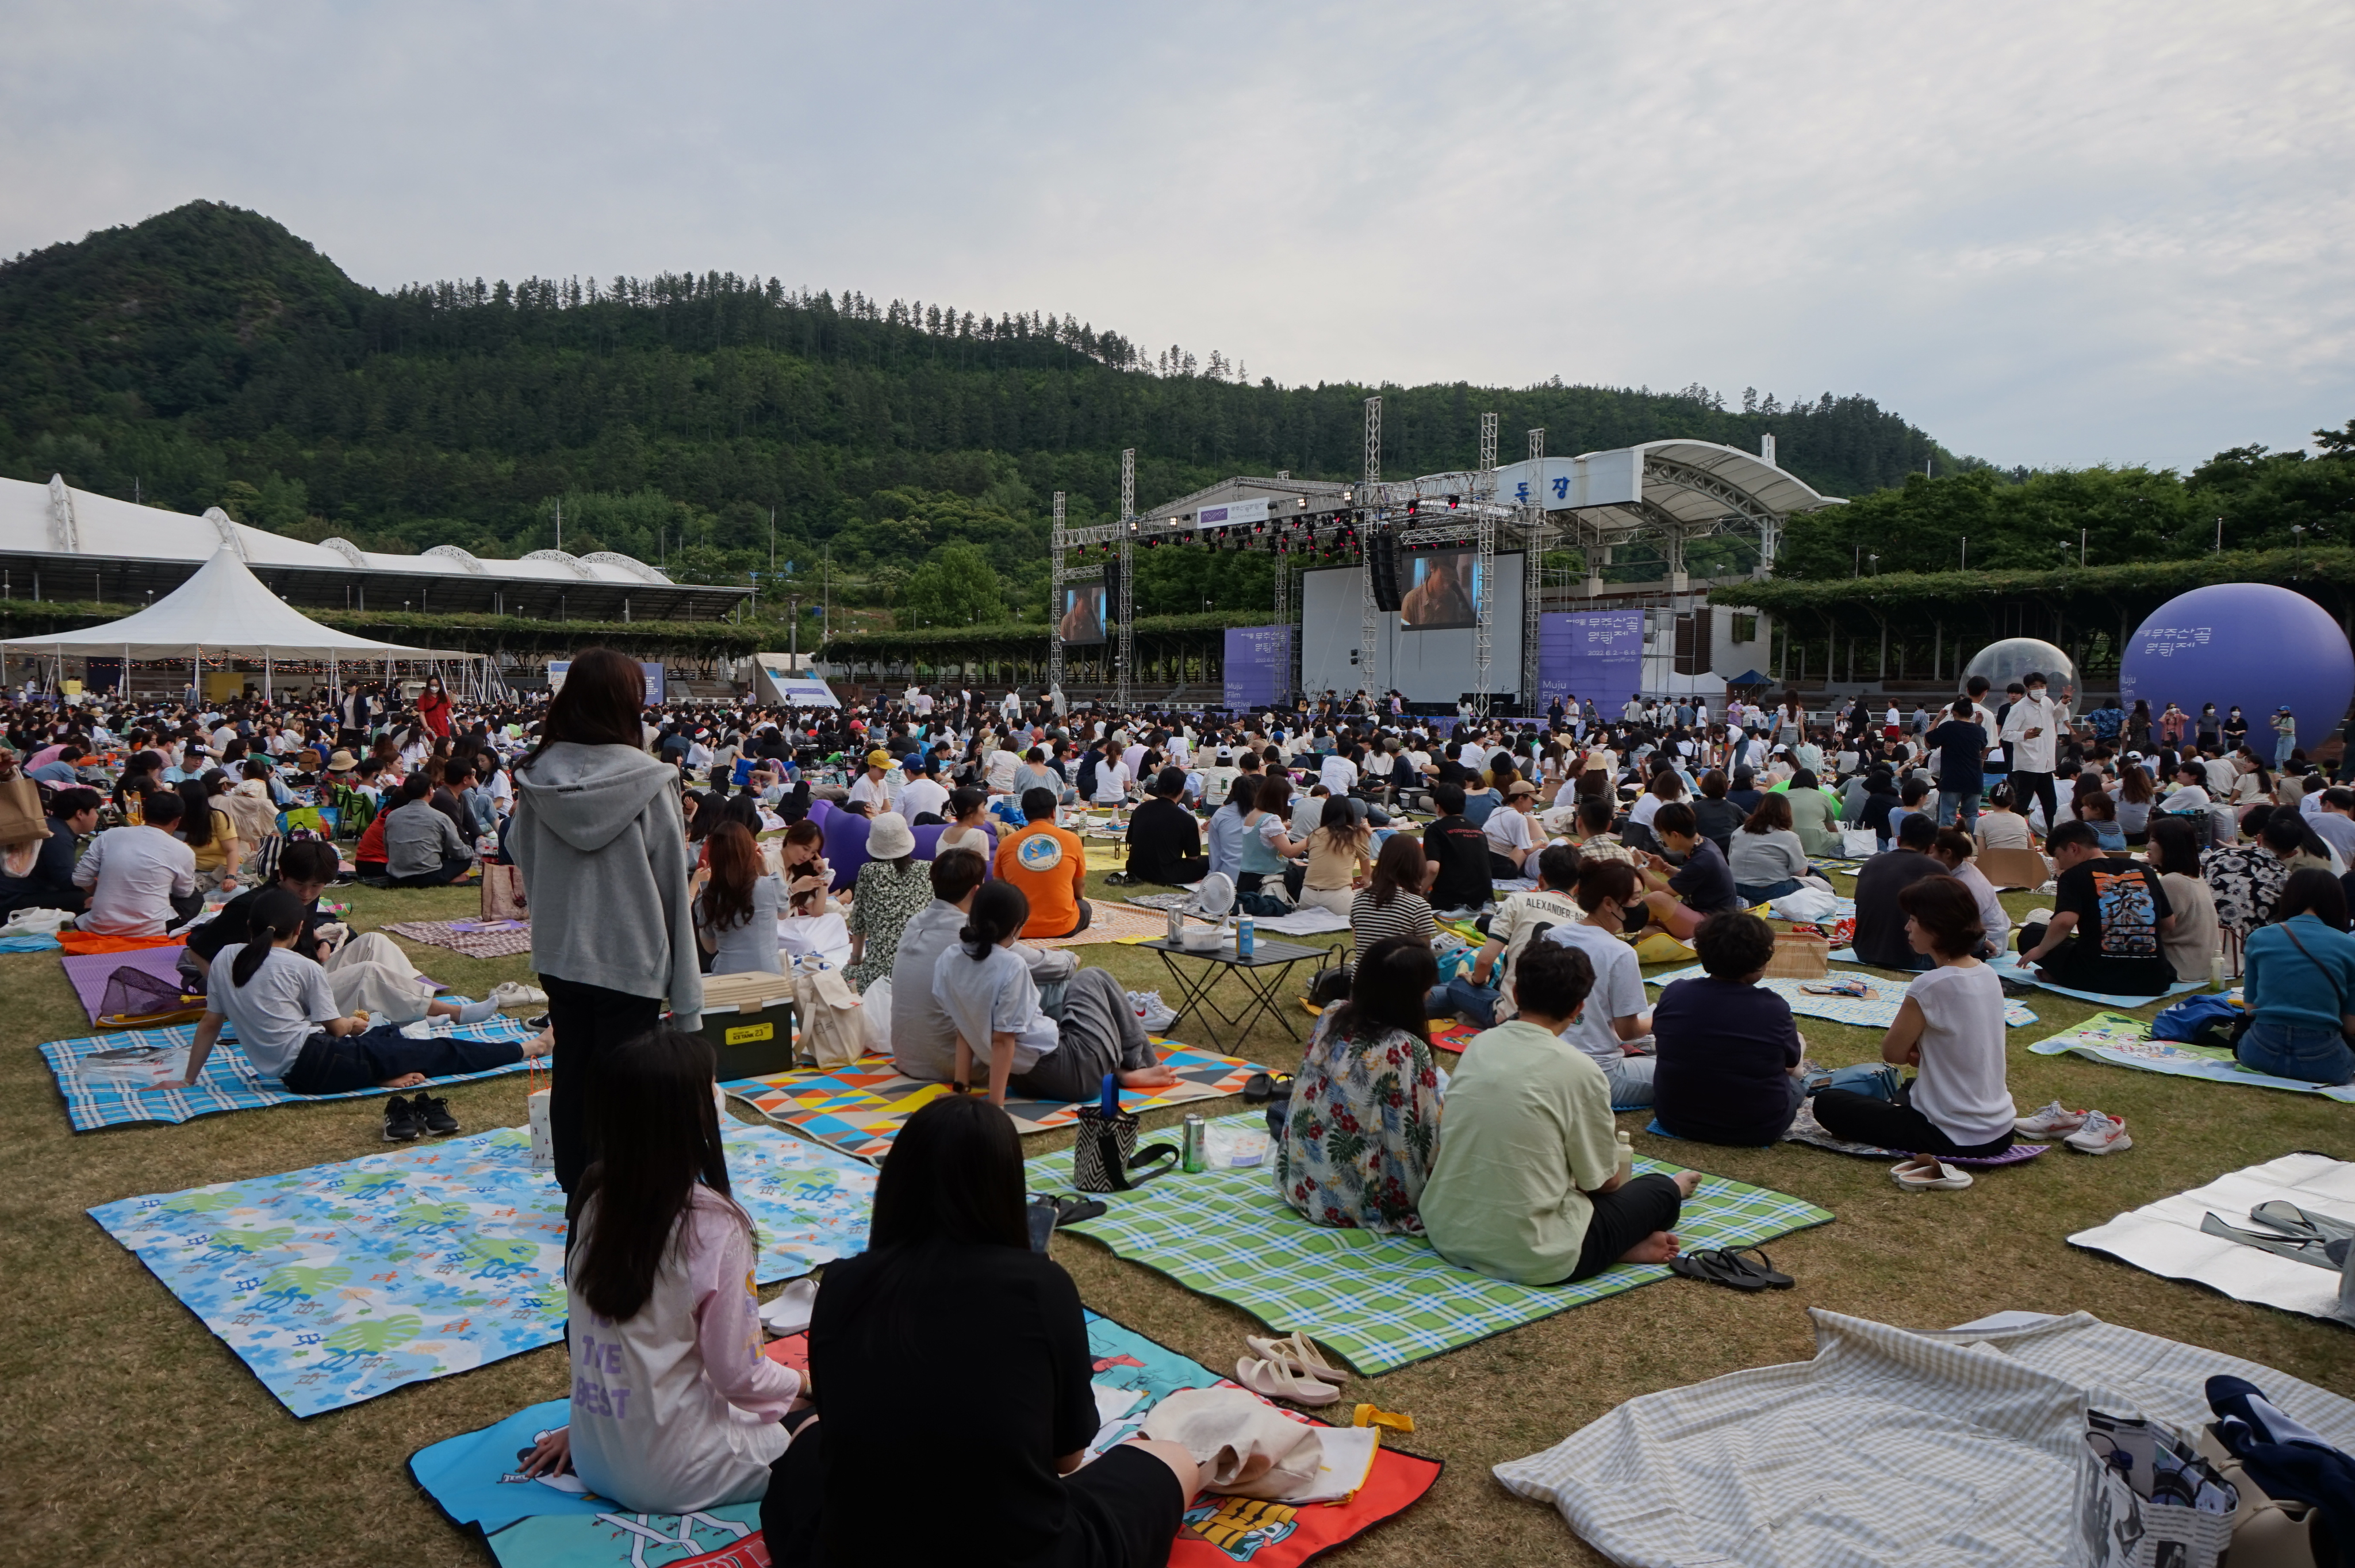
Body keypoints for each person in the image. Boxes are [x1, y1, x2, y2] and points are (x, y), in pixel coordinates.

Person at [758, 1094, 1199, 1568]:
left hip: (862, 1552)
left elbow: (841, 1423)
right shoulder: (1041, 1286)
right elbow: (1068, 1460)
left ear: (896, 1185)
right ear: (1006, 1189)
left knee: (805, 1435)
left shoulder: (842, 1282)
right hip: (1023, 1551)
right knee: (1176, 1459)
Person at [515, 1028, 803, 1512]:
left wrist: (586, 1425)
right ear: (690, 1115)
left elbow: (610, 1340)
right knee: (826, 1422)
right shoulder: (714, 1226)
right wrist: (808, 1386)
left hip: (595, 1454)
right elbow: (741, 1377)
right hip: (681, 1472)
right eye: (711, 1085)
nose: (718, 1094)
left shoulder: (594, 1198)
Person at [512, 648, 703, 1193]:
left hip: (560, 953)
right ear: (628, 703)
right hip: (632, 957)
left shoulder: (535, 777)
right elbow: (671, 886)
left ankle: (580, 1193)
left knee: (574, 1070)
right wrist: (688, 1004)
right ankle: (623, 1198)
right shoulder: (651, 779)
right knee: (628, 1086)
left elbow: (518, 852)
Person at [1420, 938, 1700, 1284]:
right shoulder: (1580, 1070)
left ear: (1517, 994)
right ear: (1577, 1009)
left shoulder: (1481, 1045)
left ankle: (1618, 1245)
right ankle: (1624, 1236)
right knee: (1658, 1189)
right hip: (1535, 1251)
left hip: (1449, 1230)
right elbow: (1603, 1182)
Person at [171, 888, 546, 1099]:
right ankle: (531, 1048)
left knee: (387, 1036)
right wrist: (354, 1023)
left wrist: (189, 1079)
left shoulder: (224, 958)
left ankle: (382, 1070)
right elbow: (337, 1030)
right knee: (440, 1052)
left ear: (250, 925)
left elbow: (210, 1024)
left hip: (304, 1067)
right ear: (301, 927)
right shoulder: (301, 967)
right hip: (319, 1063)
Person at [1811, 876, 2019, 1160]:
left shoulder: (1931, 984)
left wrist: (1917, 1050)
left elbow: (1893, 1052)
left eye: (1914, 919)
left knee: (1829, 1104)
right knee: (1907, 1088)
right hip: (2000, 1130)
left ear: (1937, 926)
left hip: (1950, 1135)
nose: (1907, 927)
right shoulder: (1988, 974)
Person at [933, 880, 1175, 1105]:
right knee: (1091, 978)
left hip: (1023, 1081)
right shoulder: (1010, 964)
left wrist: (961, 1089)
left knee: (1063, 1014)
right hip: (1071, 1071)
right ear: (1016, 928)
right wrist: (996, 1109)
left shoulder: (949, 958)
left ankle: (1120, 1073)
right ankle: (1141, 1064)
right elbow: (1003, 1041)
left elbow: (963, 1028)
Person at [1275, 935, 1444, 1234]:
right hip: (1357, 1200)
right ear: (1413, 995)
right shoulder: (1404, 1048)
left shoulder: (1332, 1014)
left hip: (1304, 1184)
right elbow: (1422, 1139)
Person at [1651, 911, 1806, 1146]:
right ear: (1760, 959)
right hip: (1755, 1128)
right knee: (1795, 1084)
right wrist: (1800, 1044)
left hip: (1676, 1118)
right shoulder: (1772, 1008)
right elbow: (1791, 1067)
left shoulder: (1676, 993)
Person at [1542, 859, 1656, 1109]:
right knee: (1685, 1072)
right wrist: (1660, 1017)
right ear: (1608, 903)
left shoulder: (1552, 936)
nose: (1640, 905)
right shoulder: (1620, 953)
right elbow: (1629, 1031)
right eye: (1636, 898)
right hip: (1599, 1075)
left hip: (1546, 1063)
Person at [1430, 844, 1584, 1029]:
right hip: (1561, 1019)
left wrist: (1476, 980)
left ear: (1541, 880)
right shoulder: (1585, 919)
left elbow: (1485, 961)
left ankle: (1402, 1004)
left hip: (1516, 1014)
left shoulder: (1519, 901)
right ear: (1577, 886)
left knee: (1458, 985)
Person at [2018, 819, 2177, 994]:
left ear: (2073, 848)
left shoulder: (2074, 875)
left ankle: (2062, 976)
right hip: (2153, 978)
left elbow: (2064, 922)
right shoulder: (2144, 870)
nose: (2059, 865)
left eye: (2058, 857)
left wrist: (2041, 950)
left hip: (2098, 974)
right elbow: (2168, 924)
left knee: (2031, 933)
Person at [2237, 870, 2355, 1084]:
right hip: (2325, 1060)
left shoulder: (2259, 938)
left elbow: (2250, 1009)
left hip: (2259, 1052)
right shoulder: (2350, 946)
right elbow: (2351, 1026)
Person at [73, 787, 201, 935]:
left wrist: (105, 893)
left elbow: (80, 878)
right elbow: (183, 893)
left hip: (101, 923)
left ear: (144, 814)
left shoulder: (110, 835)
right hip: (149, 930)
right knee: (195, 896)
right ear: (177, 821)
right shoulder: (183, 851)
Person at [1631, 802, 1739, 941]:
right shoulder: (1705, 844)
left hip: (1712, 924)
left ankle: (1679, 942)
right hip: (1712, 917)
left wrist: (1639, 867)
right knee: (1639, 922)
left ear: (1675, 835)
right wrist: (1664, 868)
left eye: (1662, 836)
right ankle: (1664, 934)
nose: (1663, 841)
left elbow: (1663, 891)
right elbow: (1688, 879)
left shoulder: (1702, 859)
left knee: (1654, 901)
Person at [1850, 814, 1947, 969]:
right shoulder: (1936, 869)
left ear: (1899, 840)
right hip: (1910, 957)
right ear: (1931, 847)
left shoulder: (1871, 864)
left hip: (1864, 952)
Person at [846, 814, 930, 987]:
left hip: (881, 974)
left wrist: (855, 959)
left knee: (844, 978)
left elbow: (859, 921)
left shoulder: (869, 872)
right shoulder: (928, 869)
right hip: (923, 969)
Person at [994, 788, 1090, 939]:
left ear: (1024, 813)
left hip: (1016, 928)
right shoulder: (1072, 839)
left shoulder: (1006, 843)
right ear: (1053, 812)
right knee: (1084, 906)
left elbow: (1000, 888)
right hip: (1063, 927)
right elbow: (1079, 889)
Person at [696, 821, 787, 976]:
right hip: (770, 979)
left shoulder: (707, 896)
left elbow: (710, 948)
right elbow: (783, 915)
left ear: (714, 856)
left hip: (727, 979)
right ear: (750, 851)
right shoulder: (771, 885)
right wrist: (764, 870)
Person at [0, 784, 97, 918]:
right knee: (87, 898)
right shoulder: (58, 836)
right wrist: (100, 884)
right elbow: (66, 881)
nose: (97, 816)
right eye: (95, 811)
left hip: (13, 892)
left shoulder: (50, 825)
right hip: (13, 899)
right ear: (80, 814)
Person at [2146, 816, 2220, 983]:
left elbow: (2152, 928)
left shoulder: (2172, 881)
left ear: (2170, 844)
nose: (2148, 846)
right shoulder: (2195, 878)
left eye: (2153, 840)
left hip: (2179, 967)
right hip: (2200, 966)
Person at [2000, 670, 2070, 835]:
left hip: (2046, 763)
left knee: (2050, 803)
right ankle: (2013, 833)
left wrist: (2063, 704)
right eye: (2035, 687)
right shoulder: (2019, 708)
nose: (2040, 689)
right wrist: (2024, 735)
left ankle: (2054, 836)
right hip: (2028, 763)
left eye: (2042, 686)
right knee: (2023, 801)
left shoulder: (2046, 701)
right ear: (2028, 689)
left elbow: (2054, 717)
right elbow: (2005, 733)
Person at [1925, 827, 2009, 958]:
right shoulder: (1960, 870)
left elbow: (1959, 926)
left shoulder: (1964, 883)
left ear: (1947, 853)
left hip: (1987, 942)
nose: (1926, 856)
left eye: (1930, 852)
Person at [382, 772, 475, 887]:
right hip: (428, 876)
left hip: (396, 877)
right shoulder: (440, 817)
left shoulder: (392, 816)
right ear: (430, 791)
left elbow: (388, 849)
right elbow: (457, 851)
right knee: (465, 859)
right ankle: (448, 879)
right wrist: (470, 851)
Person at [1351, 834, 1440, 951]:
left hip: (1364, 968)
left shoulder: (1359, 898)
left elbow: (1359, 943)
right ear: (1418, 864)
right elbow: (1423, 952)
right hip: (1402, 968)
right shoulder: (1418, 906)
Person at [1122, 768, 1207, 887]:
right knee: (1209, 861)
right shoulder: (1186, 819)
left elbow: (1130, 840)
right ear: (1181, 790)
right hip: (1165, 873)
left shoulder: (1140, 809)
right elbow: (1193, 857)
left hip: (1135, 869)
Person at [1421, 783, 1494, 914]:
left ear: (1438, 808)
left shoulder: (1435, 829)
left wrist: (1419, 893)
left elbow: (1432, 868)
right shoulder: (1477, 829)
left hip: (1452, 902)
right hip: (1483, 900)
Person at [1728, 793, 1812, 906]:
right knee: (1816, 884)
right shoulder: (1789, 837)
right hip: (1770, 891)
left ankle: (1744, 902)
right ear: (1786, 812)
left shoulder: (1739, 831)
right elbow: (1801, 872)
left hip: (1735, 888)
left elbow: (1730, 858)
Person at [1297, 795, 1374, 915]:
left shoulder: (1315, 834)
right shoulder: (1357, 834)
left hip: (1307, 898)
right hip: (1338, 900)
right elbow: (1366, 876)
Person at [1926, 697, 1990, 833]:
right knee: (1972, 815)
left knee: (1948, 817)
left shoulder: (1949, 727)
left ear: (1954, 713)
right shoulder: (1979, 730)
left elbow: (1929, 737)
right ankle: (1978, 843)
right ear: (1972, 714)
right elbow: (1982, 745)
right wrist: (1979, 725)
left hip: (1952, 778)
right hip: (1974, 778)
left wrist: (1938, 719)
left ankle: (1947, 847)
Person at [1483, 780, 1544, 876]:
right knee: (1528, 844)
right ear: (1521, 798)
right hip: (1500, 868)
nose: (1535, 804)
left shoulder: (1498, 810)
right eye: (1533, 800)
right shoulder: (1520, 818)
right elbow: (1528, 850)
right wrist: (1540, 842)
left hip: (1483, 861)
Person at [1782, 768, 1843, 858]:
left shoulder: (1784, 795)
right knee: (1841, 838)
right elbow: (1831, 826)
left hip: (1789, 842)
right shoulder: (1823, 797)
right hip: (1818, 842)